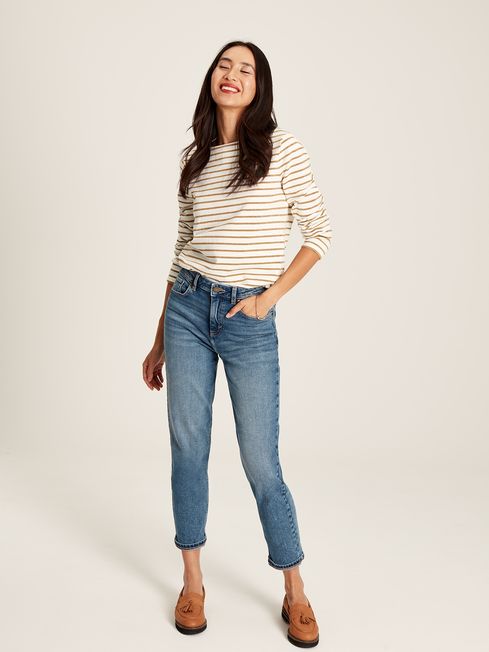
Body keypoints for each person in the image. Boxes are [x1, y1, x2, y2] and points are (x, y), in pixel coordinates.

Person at [142, 40, 332, 648]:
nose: (232, 75)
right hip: (187, 310)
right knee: (188, 446)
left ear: (258, 88)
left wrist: (268, 298)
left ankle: (295, 590)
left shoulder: (282, 149)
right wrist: (159, 339)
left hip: (248, 316)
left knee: (260, 460)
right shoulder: (195, 158)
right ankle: (192, 582)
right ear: (212, 78)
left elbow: (320, 233)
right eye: (225, 65)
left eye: (245, 70)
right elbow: (181, 250)